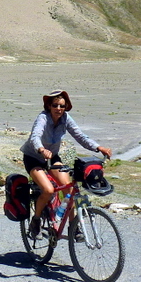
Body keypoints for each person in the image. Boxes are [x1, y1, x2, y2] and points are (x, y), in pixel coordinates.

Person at [20, 90, 112, 237]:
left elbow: (80, 136)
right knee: (48, 190)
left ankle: (73, 228)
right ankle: (36, 220)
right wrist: (41, 149)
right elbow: (35, 136)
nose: (58, 108)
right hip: (34, 157)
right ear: (49, 106)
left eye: (62, 106)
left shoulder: (66, 118)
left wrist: (98, 147)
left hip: (52, 157)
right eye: (55, 105)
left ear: (66, 107)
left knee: (70, 191)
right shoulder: (43, 118)